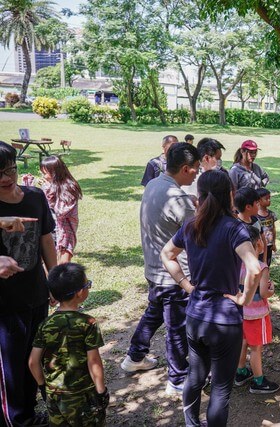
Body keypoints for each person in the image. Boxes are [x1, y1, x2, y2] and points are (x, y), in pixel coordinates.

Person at [160, 170, 261, 427]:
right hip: (225, 321)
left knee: (195, 376)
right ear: (230, 195)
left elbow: (166, 255)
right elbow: (255, 267)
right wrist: (245, 299)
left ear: (200, 196)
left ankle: (191, 423)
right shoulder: (234, 228)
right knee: (220, 388)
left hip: (195, 316)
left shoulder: (191, 225)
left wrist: (186, 285)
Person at [121, 143, 200, 396]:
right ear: (185, 169)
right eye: (195, 170)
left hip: (154, 269)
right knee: (176, 328)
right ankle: (177, 379)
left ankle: (135, 356)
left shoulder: (155, 184)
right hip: (175, 275)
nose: (197, 174)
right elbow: (197, 240)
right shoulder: (179, 199)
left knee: (154, 313)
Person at [0, 140, 57, 426]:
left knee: (34, 357)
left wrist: (54, 278)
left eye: (9, 169)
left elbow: (46, 238)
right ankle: (17, 419)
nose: (6, 179)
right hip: (5, 305)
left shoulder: (35, 196)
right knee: (10, 366)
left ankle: (29, 413)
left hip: (36, 294)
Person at [29, 263, 109, 427]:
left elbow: (33, 361)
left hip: (55, 396)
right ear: (80, 293)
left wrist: (43, 387)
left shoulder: (45, 324)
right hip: (83, 395)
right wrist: (101, 392)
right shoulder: (88, 323)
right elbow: (94, 361)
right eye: (88, 285)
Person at [234, 227, 279, 394]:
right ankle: (258, 381)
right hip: (257, 314)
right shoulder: (261, 267)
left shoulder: (237, 263)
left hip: (241, 311)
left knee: (243, 342)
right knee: (256, 348)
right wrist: (272, 290)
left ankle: (240, 372)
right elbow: (263, 292)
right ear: (259, 243)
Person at [40, 156, 83, 264]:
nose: (43, 176)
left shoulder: (69, 188)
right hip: (51, 230)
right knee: (50, 264)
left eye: (45, 173)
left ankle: (84, 281)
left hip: (65, 232)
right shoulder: (50, 186)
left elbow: (61, 212)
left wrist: (48, 188)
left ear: (55, 172)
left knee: (63, 265)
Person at [235, 187, 267, 264]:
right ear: (248, 207)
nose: (259, 206)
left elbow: (263, 240)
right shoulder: (236, 227)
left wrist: (264, 261)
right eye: (257, 203)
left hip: (259, 259)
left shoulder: (256, 220)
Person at [256, 188, 277, 266]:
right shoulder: (255, 216)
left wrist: (274, 242)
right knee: (259, 262)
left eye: (269, 198)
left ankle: (266, 276)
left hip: (269, 244)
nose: (269, 200)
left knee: (267, 262)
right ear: (259, 200)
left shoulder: (271, 214)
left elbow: (273, 229)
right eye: (266, 199)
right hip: (260, 244)